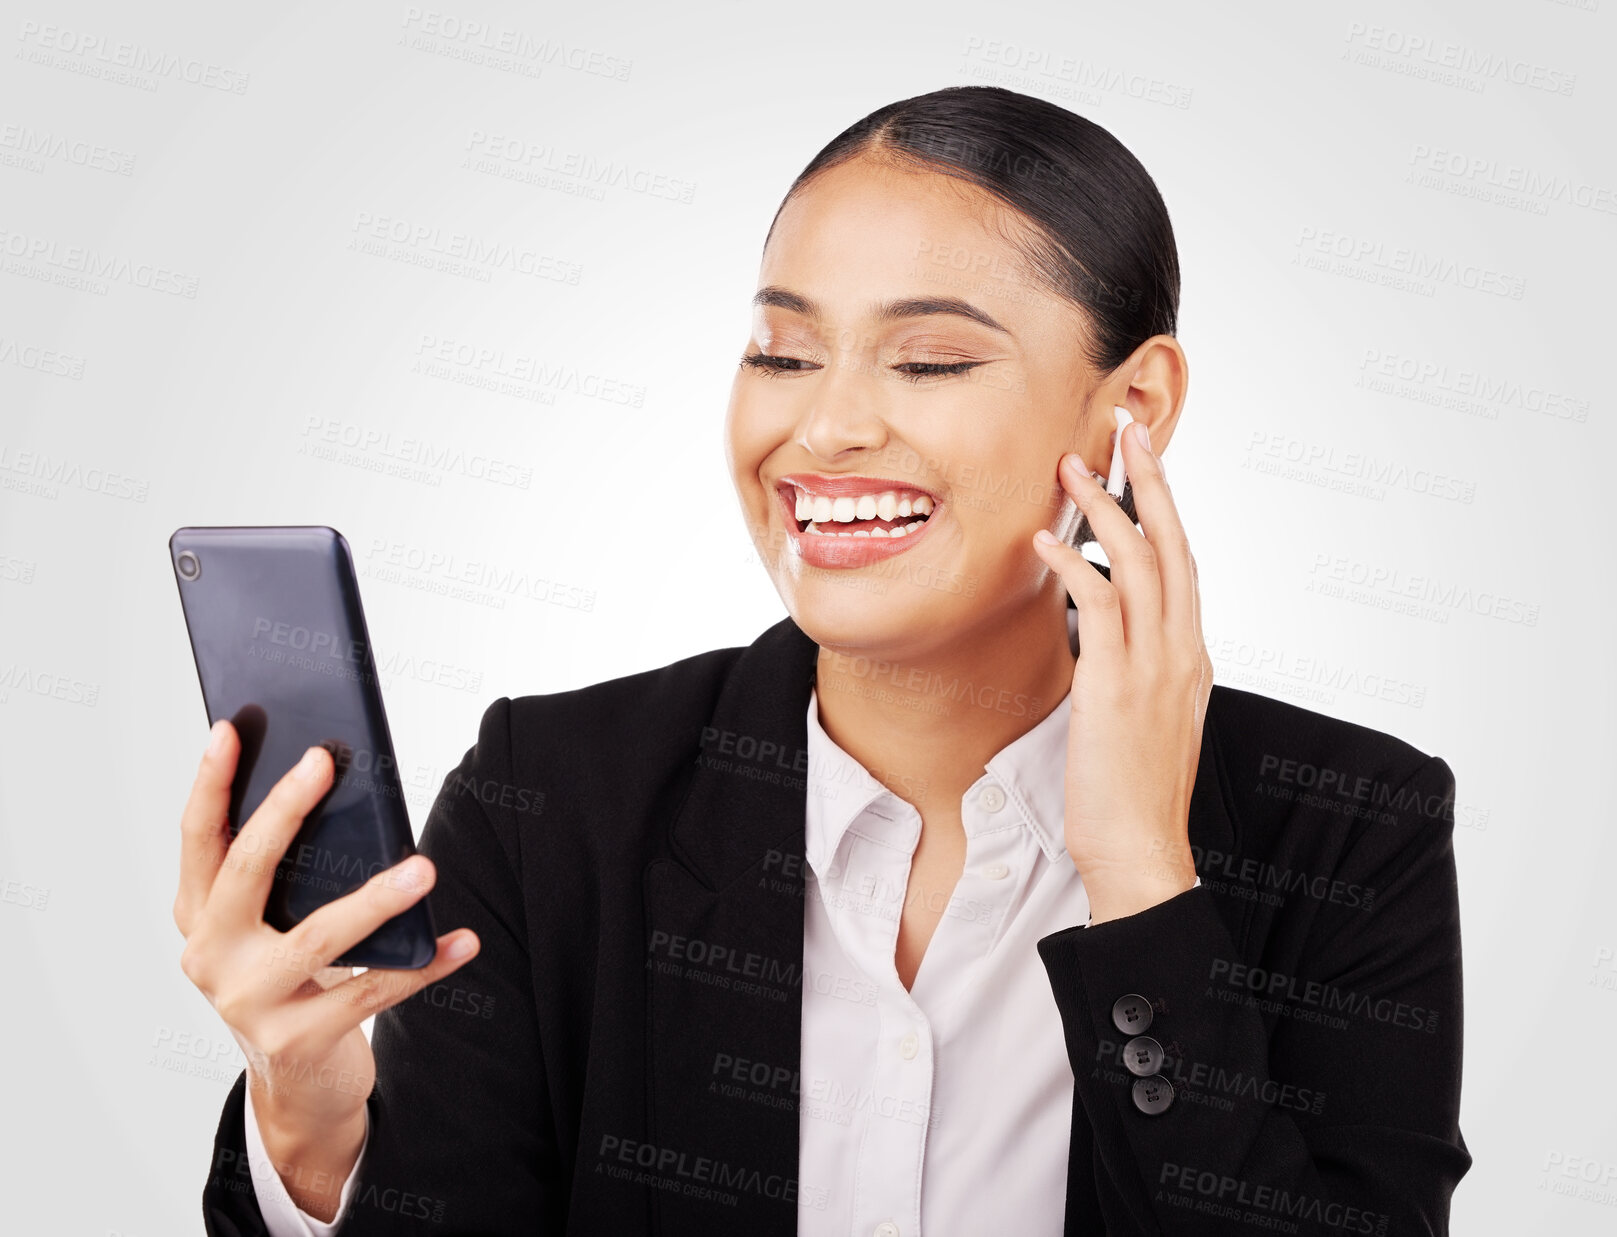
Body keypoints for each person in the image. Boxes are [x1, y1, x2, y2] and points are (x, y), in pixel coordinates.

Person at [180, 85, 1470, 1235]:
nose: (828, 426)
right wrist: (312, 1122)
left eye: (930, 359)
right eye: (782, 352)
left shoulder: (1348, 833)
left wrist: (1141, 883)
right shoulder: (554, 797)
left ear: (1131, 406)